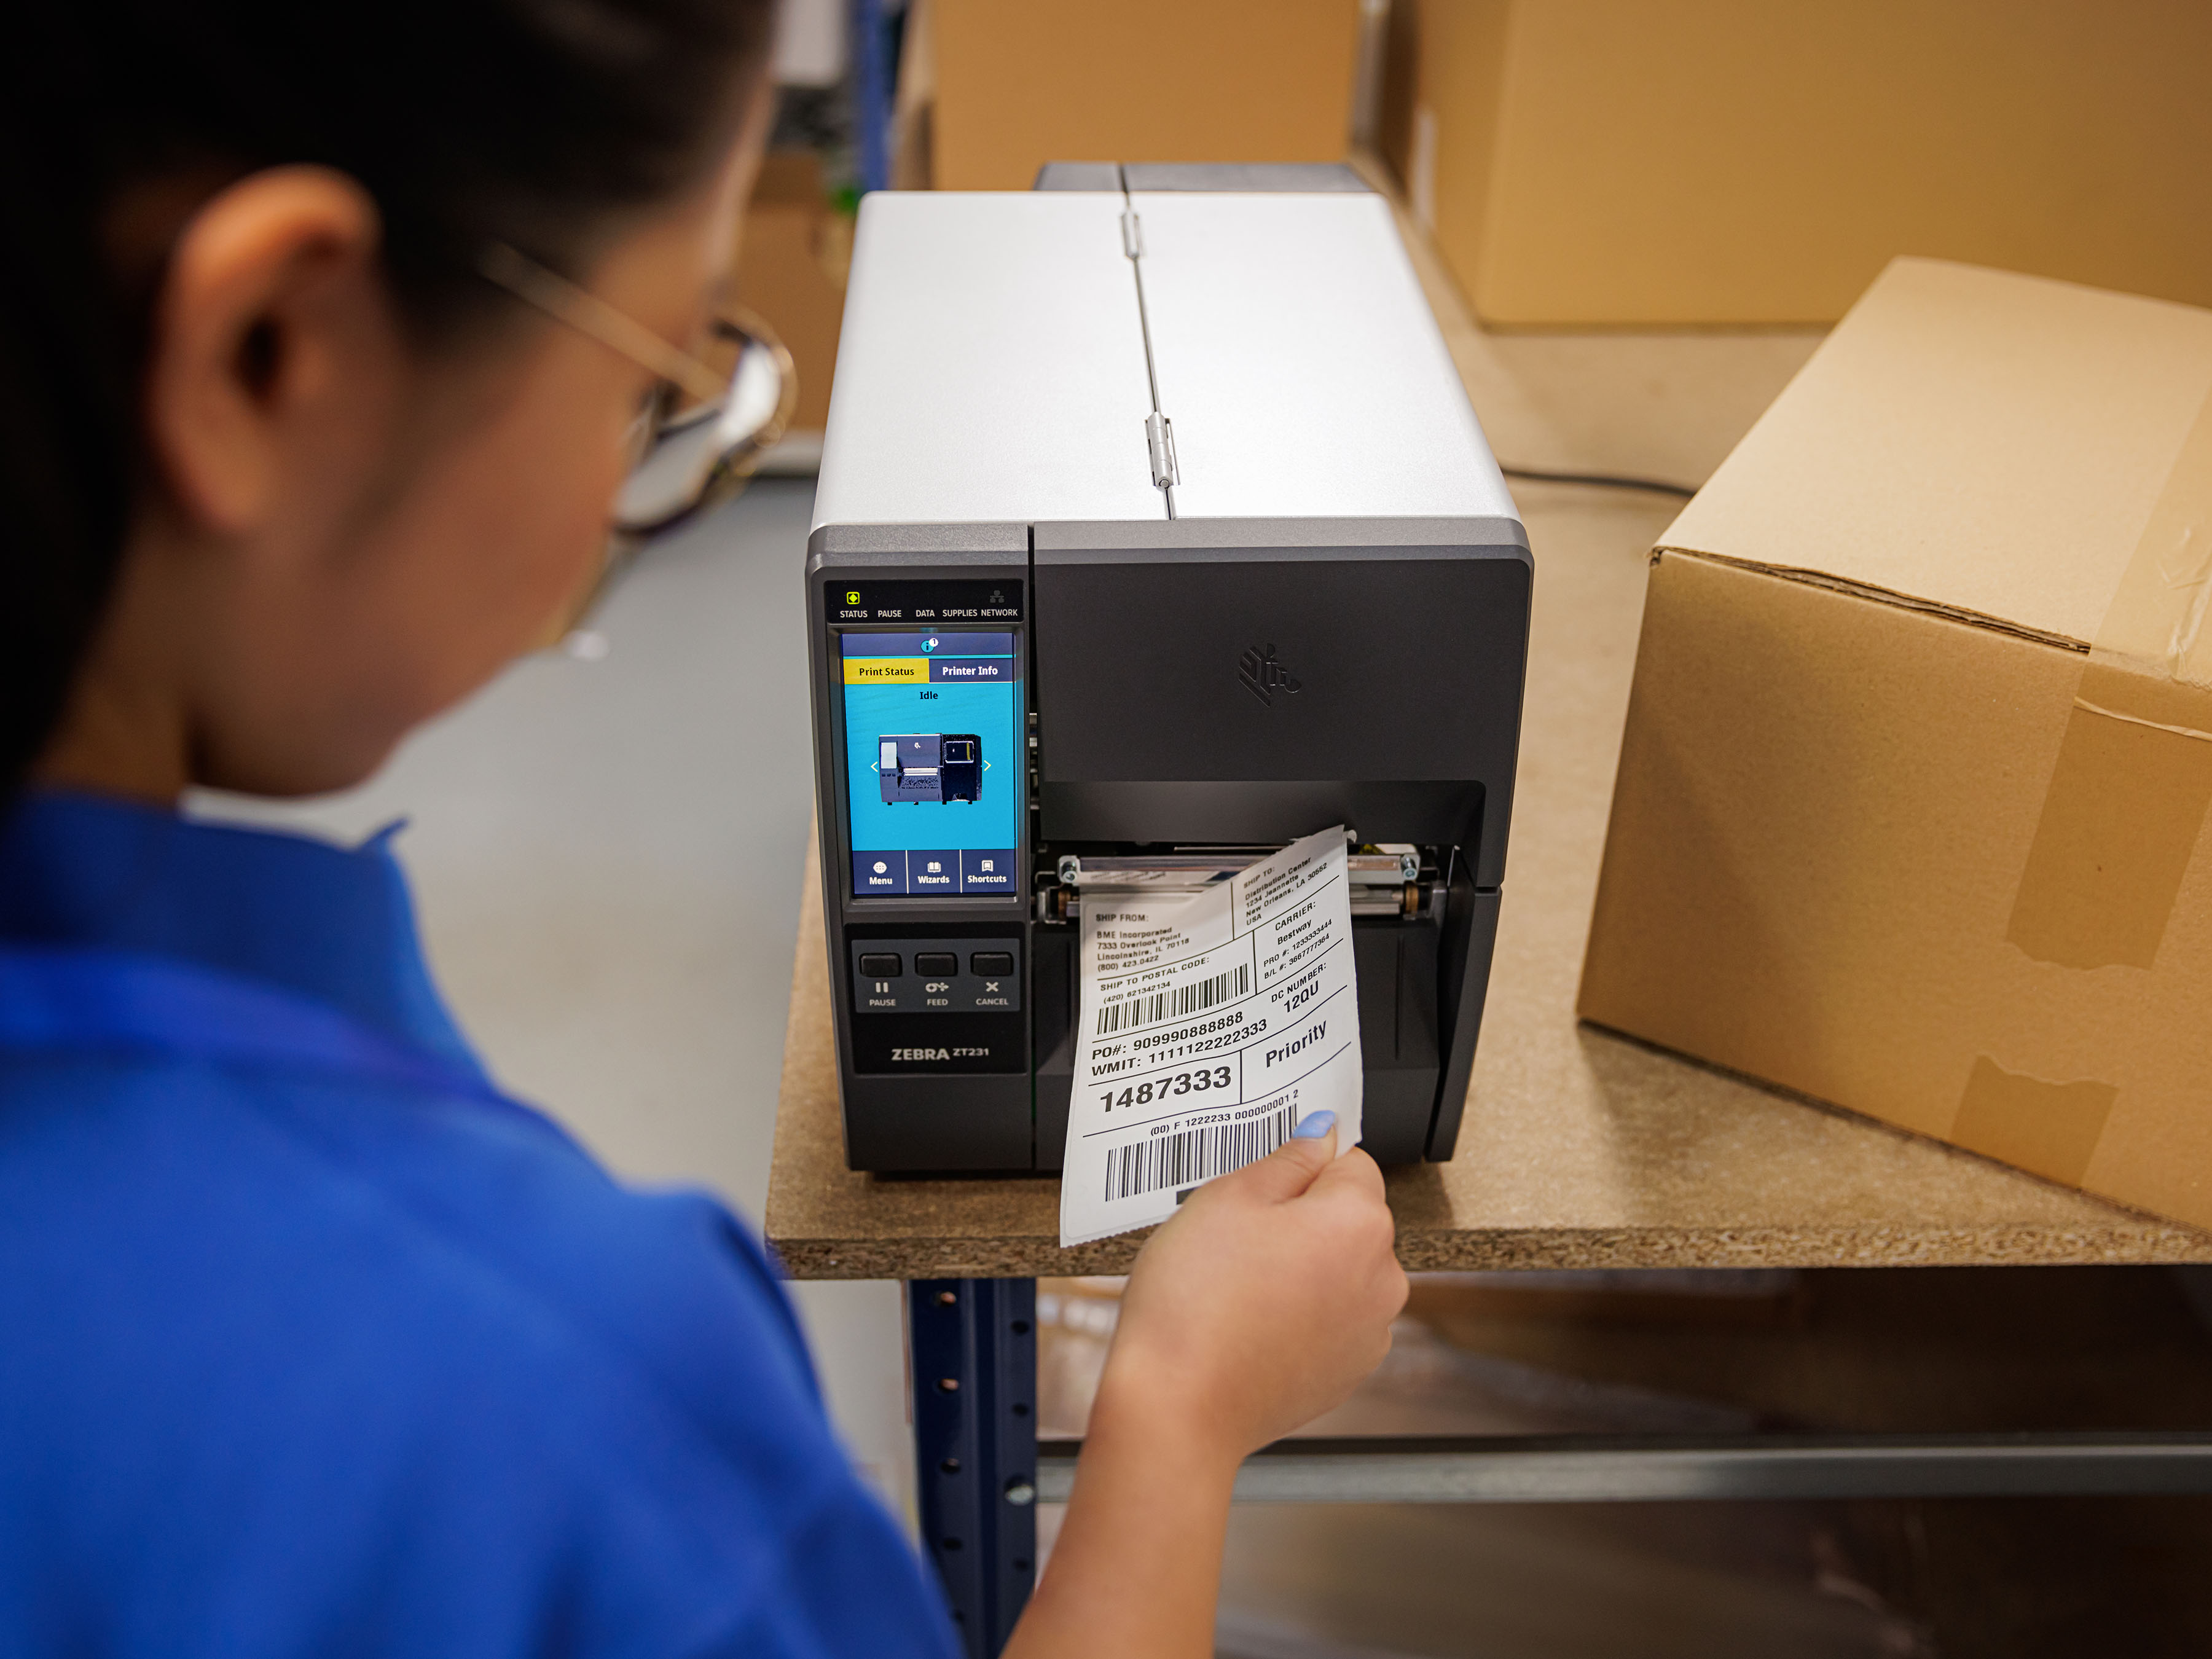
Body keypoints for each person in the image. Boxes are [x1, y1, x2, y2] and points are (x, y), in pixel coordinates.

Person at [0, 2, 1410, 1655]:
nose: (636, 467)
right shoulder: (555, 1408)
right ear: (270, 352)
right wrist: (1178, 1411)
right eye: (658, 371)